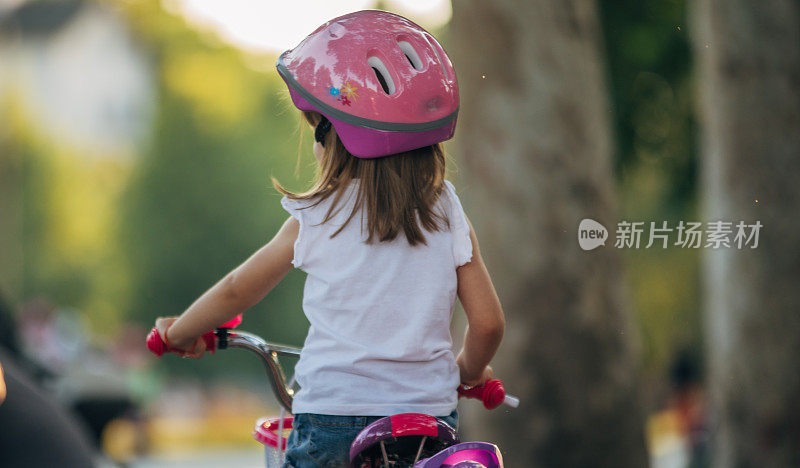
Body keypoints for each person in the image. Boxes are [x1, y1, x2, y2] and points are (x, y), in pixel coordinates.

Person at [152, 10, 505, 467]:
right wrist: (468, 372)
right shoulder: (446, 208)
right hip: (427, 420)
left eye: (317, 128)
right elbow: (489, 325)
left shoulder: (316, 214)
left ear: (336, 136)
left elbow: (239, 288)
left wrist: (180, 333)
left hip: (332, 420)